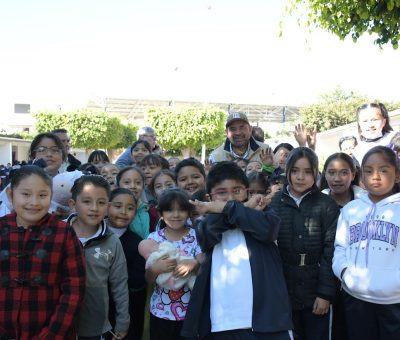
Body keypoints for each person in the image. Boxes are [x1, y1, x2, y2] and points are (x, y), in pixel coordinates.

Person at [182, 161, 293, 339]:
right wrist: (242, 207)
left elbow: (268, 230)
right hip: (222, 322)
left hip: (268, 319)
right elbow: (212, 230)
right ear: (210, 198)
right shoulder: (206, 223)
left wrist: (229, 208)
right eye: (221, 193)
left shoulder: (264, 214)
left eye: (237, 190)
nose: (230, 197)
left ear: (247, 191)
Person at [0, 166, 86, 339]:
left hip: (52, 332)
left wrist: (51, 334)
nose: (34, 202)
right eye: (25, 194)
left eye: (42, 195)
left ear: (51, 196)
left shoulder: (64, 233)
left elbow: (74, 289)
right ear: (10, 194)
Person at [269, 147, 340, 340]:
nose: (301, 177)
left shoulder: (326, 204)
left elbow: (331, 250)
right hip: (284, 291)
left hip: (315, 289)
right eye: (295, 171)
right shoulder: (274, 203)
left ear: (316, 173)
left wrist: (325, 293)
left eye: (307, 172)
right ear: (287, 171)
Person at [332, 146, 400, 340]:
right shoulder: (351, 209)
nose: (375, 176)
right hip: (356, 298)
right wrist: (345, 273)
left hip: (394, 301)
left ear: (397, 176)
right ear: (361, 176)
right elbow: (340, 248)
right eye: (368, 171)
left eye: (384, 170)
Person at [67, 175, 129, 340]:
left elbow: (120, 284)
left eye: (101, 203)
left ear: (108, 207)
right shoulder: (58, 234)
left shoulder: (112, 241)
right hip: (59, 323)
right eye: (86, 201)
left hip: (96, 325)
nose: (94, 208)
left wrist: (123, 320)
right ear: (73, 204)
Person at [140, 188, 202, 340]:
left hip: (192, 313)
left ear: (189, 212)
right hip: (160, 313)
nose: (175, 215)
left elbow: (205, 259)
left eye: (181, 210)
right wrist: (155, 269)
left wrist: (194, 263)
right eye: (169, 210)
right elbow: (148, 279)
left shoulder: (197, 236)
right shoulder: (154, 239)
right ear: (160, 213)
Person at [107, 188, 146, 340]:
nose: (123, 212)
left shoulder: (137, 243)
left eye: (130, 208)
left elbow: (138, 279)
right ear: (107, 206)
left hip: (125, 308)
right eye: (117, 206)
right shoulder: (95, 234)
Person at [116, 166, 150, 239]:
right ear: (118, 185)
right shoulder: (111, 211)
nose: (133, 186)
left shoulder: (149, 211)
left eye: (138, 183)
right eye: (127, 182)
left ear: (143, 186)